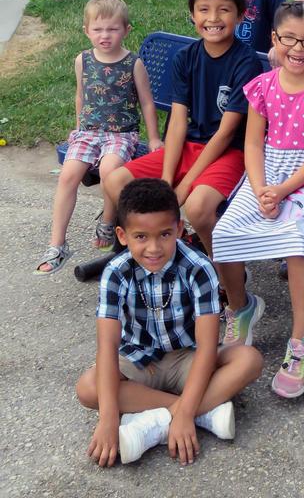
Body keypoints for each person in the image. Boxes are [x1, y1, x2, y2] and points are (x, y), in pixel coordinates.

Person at [212, 0, 304, 399]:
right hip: (265, 173)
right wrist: (261, 187)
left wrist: (283, 190)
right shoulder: (263, 85)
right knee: (223, 232)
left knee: (296, 240)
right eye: (288, 38)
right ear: (274, 39)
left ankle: (301, 341)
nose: (297, 48)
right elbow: (253, 144)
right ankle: (241, 306)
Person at [76, 178, 263, 467]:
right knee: (88, 388)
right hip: (138, 359)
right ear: (122, 236)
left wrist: (184, 415)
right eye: (141, 237)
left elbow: (206, 347)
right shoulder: (116, 272)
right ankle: (200, 412)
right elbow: (108, 346)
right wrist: (108, 419)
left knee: (248, 359)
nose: (153, 248)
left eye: (164, 234)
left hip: (187, 358)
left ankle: (157, 422)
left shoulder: (198, 268)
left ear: (179, 229)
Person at [105, 0, 262, 256]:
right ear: (192, 15)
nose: (213, 18)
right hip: (190, 145)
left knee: (197, 207)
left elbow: (227, 132)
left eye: (224, 10)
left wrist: (185, 185)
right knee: (116, 181)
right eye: (204, 9)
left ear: (240, 16)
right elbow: (178, 121)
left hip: (229, 153)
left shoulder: (246, 63)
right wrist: (167, 182)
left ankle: (222, 268)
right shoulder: (185, 58)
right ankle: (166, 249)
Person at [34, 0, 162, 275]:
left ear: (126, 30)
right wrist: (79, 127)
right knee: (68, 175)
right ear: (86, 31)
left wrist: (153, 138)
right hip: (89, 133)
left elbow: (147, 103)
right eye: (98, 29)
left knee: (108, 169)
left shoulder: (133, 63)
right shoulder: (83, 60)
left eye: (113, 29)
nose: (105, 35)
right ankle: (57, 244)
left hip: (121, 134)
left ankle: (107, 222)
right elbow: (81, 96)